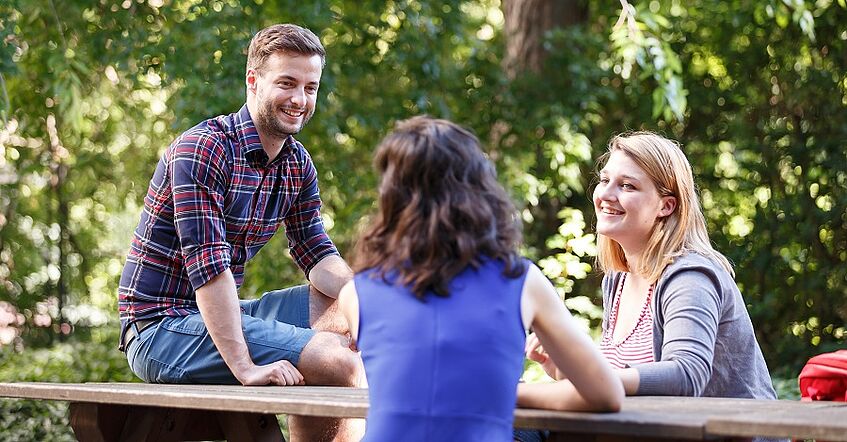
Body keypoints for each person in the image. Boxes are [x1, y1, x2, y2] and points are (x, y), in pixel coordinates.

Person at [117, 23, 361, 441]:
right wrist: (245, 368)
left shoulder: (296, 164)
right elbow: (209, 270)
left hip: (225, 312)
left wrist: (366, 299)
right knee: (339, 360)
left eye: (310, 87)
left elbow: (317, 254)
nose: (299, 99)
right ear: (253, 80)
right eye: (287, 83)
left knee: (342, 311)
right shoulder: (203, 149)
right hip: (159, 328)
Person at [337, 116, 623, 442]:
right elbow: (606, 394)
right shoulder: (522, 281)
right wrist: (510, 394)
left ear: (391, 196)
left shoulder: (355, 294)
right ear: (480, 190)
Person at [520, 131, 777, 410]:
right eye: (605, 180)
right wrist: (564, 371)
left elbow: (686, 374)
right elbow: (620, 386)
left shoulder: (690, 277)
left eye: (627, 186)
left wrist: (598, 379)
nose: (605, 194)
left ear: (666, 206)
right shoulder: (617, 280)